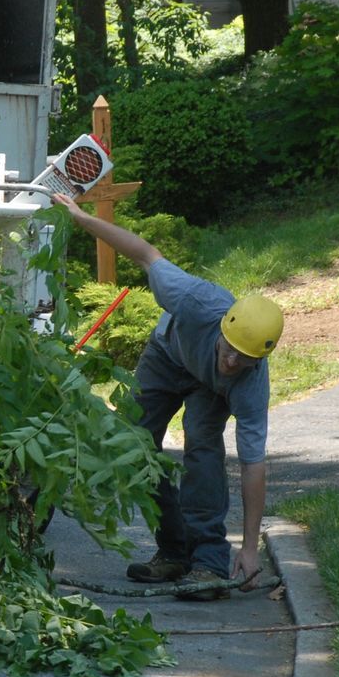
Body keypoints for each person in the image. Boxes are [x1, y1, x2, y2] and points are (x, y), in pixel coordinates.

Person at [53, 192, 284, 600]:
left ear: (259, 359)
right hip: (168, 354)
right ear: (224, 327)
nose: (231, 361)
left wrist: (251, 548)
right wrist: (79, 217)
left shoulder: (249, 382)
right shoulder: (194, 299)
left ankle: (209, 565)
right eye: (229, 349)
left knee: (202, 449)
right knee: (135, 442)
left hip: (207, 390)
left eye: (244, 359)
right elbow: (144, 252)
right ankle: (174, 550)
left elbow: (253, 465)